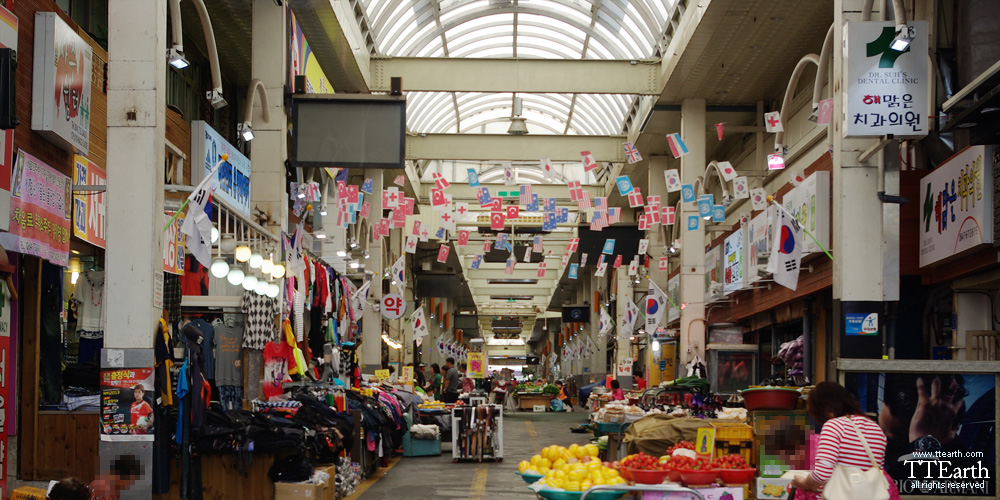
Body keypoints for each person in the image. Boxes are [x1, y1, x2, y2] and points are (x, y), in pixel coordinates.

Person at [789, 381, 900, 499]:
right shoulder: (875, 427)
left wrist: (803, 483)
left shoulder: (834, 426)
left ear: (827, 411)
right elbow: (876, 470)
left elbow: (822, 474)